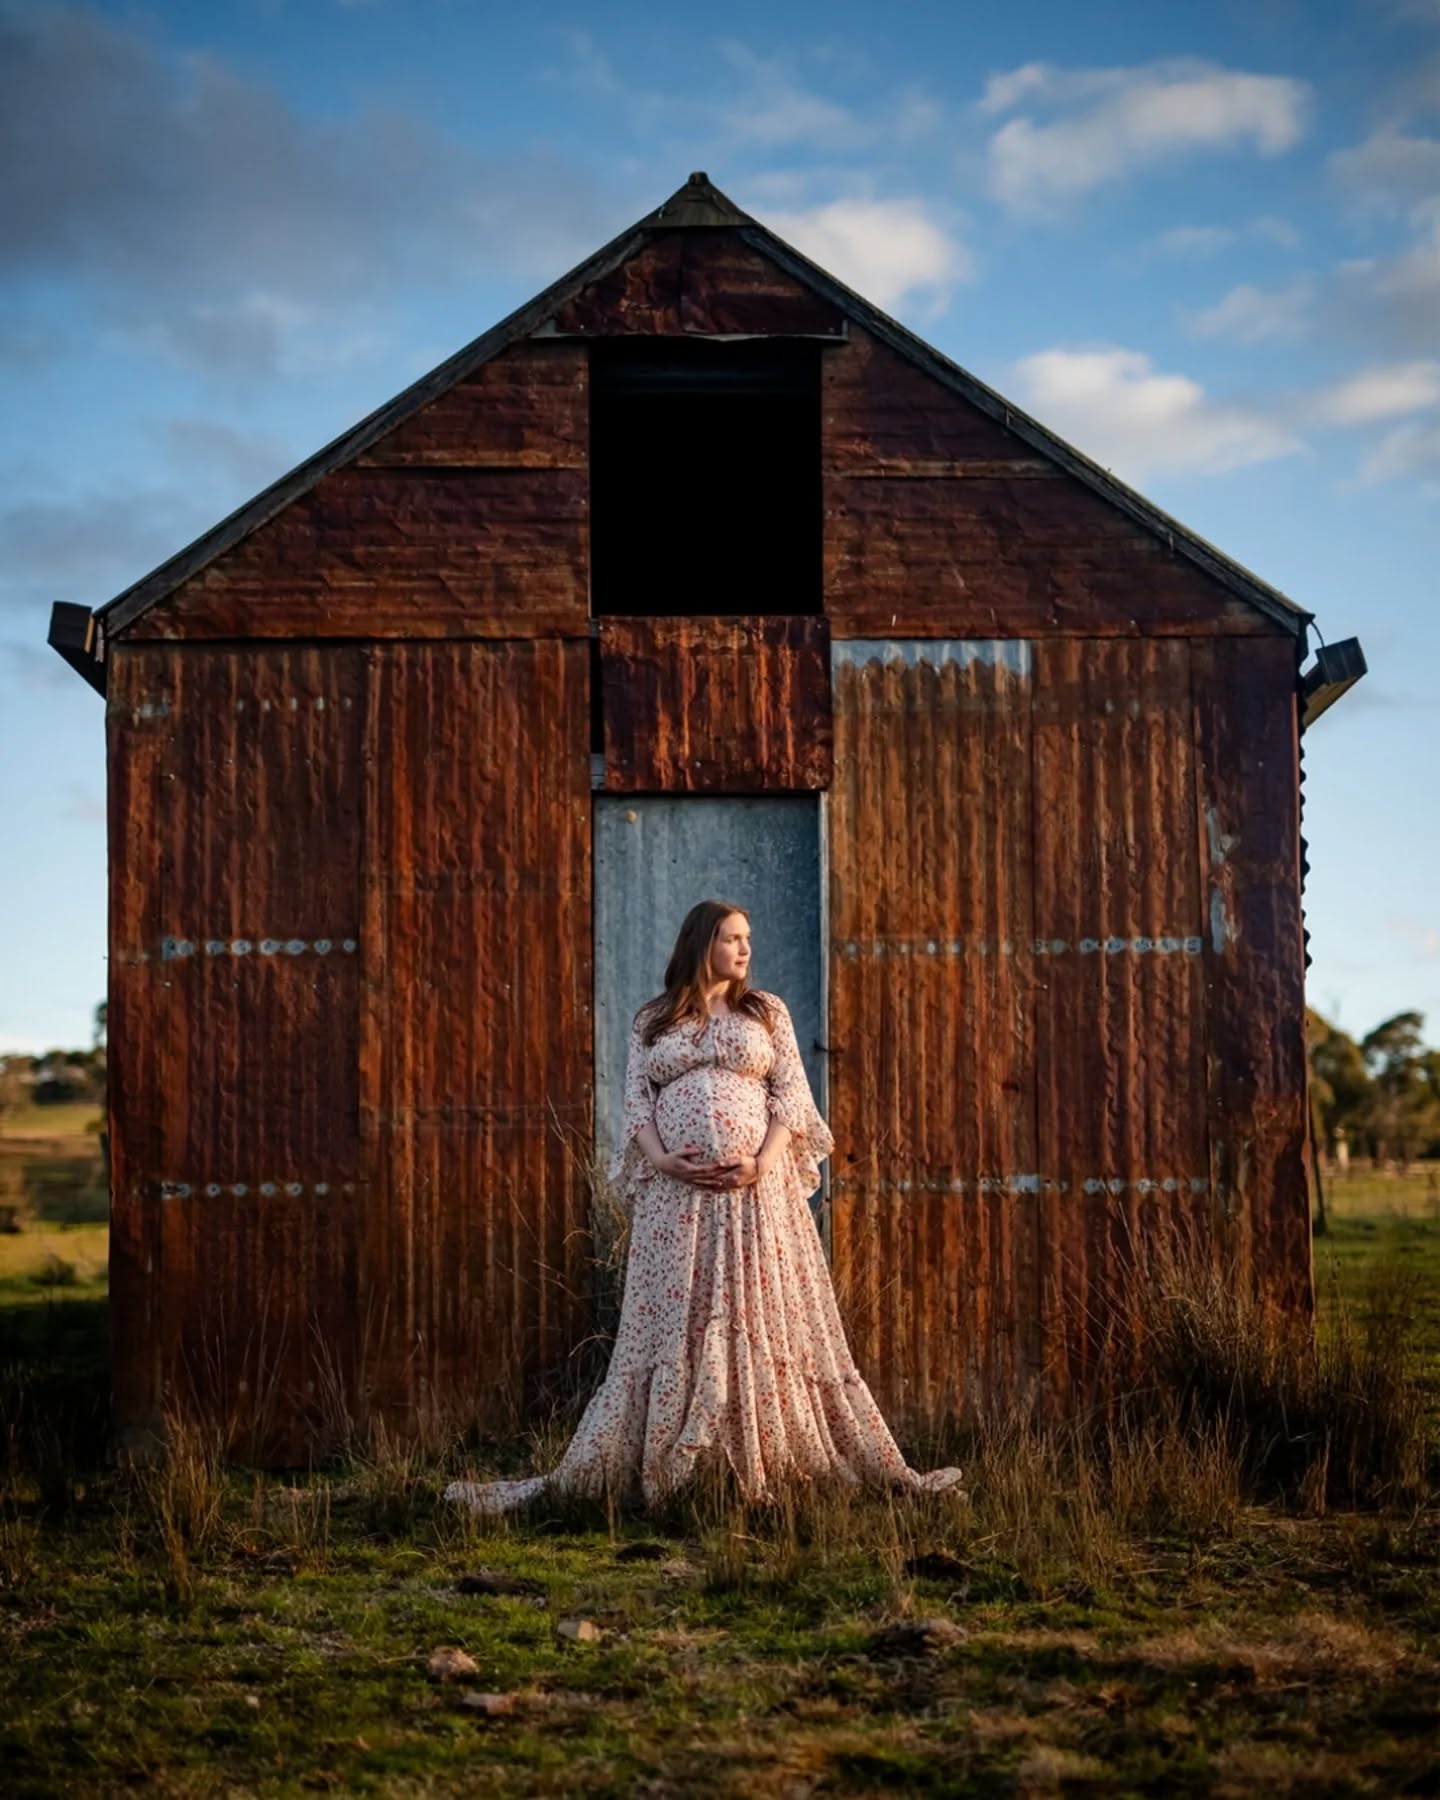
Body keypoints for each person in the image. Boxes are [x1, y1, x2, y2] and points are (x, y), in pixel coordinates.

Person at [444, 898, 966, 1515]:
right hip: (678, 1202)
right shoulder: (653, 1021)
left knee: (756, 1313)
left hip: (756, 1197)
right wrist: (664, 1161)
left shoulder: (765, 1014)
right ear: (701, 944)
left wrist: (761, 1162)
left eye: (748, 938)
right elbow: (636, 1105)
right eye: (732, 938)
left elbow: (790, 1098)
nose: (745, 950)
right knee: (682, 1318)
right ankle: (673, 1464)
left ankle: (766, 1461)